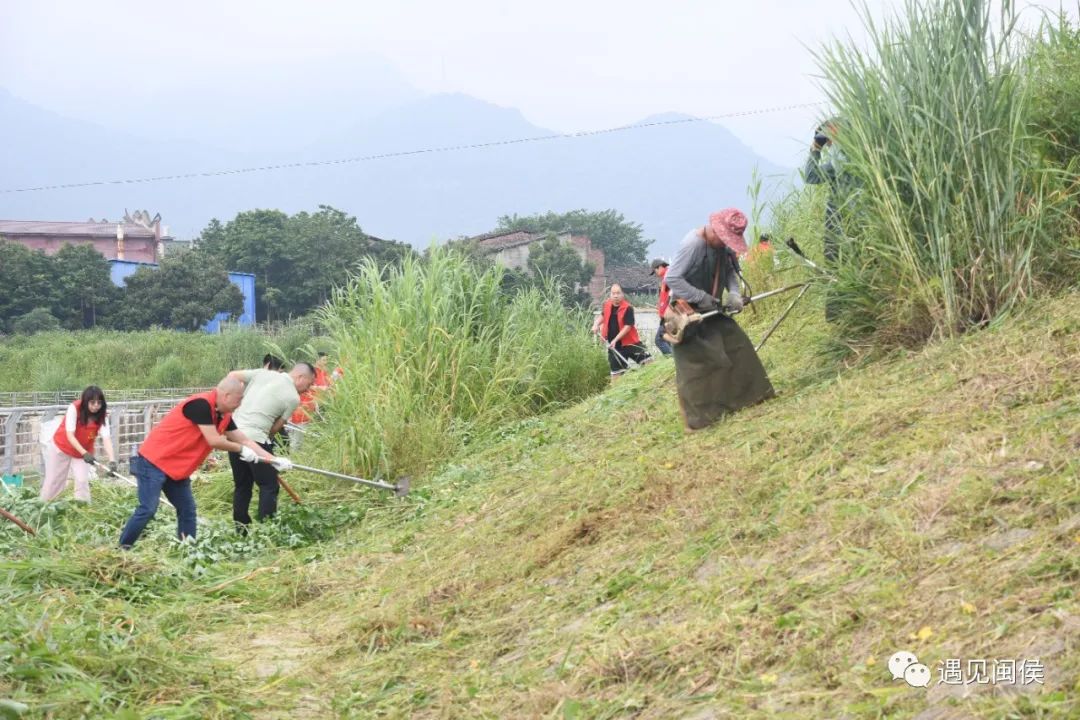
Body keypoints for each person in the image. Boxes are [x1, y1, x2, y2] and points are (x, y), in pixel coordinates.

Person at [118, 377, 278, 548]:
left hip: (177, 469)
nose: (240, 404)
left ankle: (187, 551)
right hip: (154, 462)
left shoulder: (223, 416)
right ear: (226, 396)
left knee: (187, 510)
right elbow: (214, 440)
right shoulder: (200, 405)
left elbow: (246, 440)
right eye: (239, 399)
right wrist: (240, 450)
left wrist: (273, 460)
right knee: (148, 509)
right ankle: (123, 548)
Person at [663, 208, 775, 430]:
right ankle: (701, 420)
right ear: (714, 229)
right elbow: (672, 278)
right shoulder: (692, 245)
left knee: (737, 346)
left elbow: (731, 273)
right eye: (724, 238)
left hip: (713, 308)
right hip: (690, 311)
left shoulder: (723, 248)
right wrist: (701, 297)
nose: (726, 242)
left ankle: (751, 397)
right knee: (697, 367)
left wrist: (733, 293)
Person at [225, 362, 313, 529]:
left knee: (242, 485)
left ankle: (241, 528)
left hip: (234, 435)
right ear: (301, 377)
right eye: (309, 384)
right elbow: (275, 429)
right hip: (256, 438)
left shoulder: (261, 373)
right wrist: (270, 453)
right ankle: (267, 530)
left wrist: (236, 403)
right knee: (269, 485)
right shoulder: (293, 398)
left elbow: (232, 376)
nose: (308, 389)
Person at [39, 386, 118, 503]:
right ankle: (45, 505)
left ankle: (82, 506)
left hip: (83, 452)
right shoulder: (74, 408)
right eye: (92, 402)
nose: (96, 405)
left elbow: (106, 438)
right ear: (86, 402)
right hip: (62, 447)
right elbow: (70, 435)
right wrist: (84, 453)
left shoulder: (102, 415)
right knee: (54, 481)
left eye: (99, 402)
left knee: (82, 481)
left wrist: (112, 460)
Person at [803, 118, 848, 319]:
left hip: (838, 223)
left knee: (836, 267)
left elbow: (810, 176)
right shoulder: (857, 158)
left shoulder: (838, 163)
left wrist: (815, 148)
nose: (829, 145)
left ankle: (839, 316)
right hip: (854, 222)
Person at [592, 283, 653, 377]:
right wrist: (596, 324)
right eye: (613, 293)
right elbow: (603, 316)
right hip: (614, 346)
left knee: (649, 363)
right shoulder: (607, 304)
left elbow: (627, 326)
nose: (616, 296)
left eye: (618, 293)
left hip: (630, 343)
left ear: (622, 294)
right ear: (610, 294)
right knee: (616, 374)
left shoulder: (628, 308)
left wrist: (615, 340)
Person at [650, 259, 674, 356]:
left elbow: (673, 294)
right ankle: (672, 361)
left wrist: (667, 309)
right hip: (667, 315)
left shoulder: (669, 277)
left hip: (669, 316)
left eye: (655, 271)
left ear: (660, 267)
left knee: (659, 340)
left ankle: (673, 361)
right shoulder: (666, 277)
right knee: (667, 340)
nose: (655, 274)